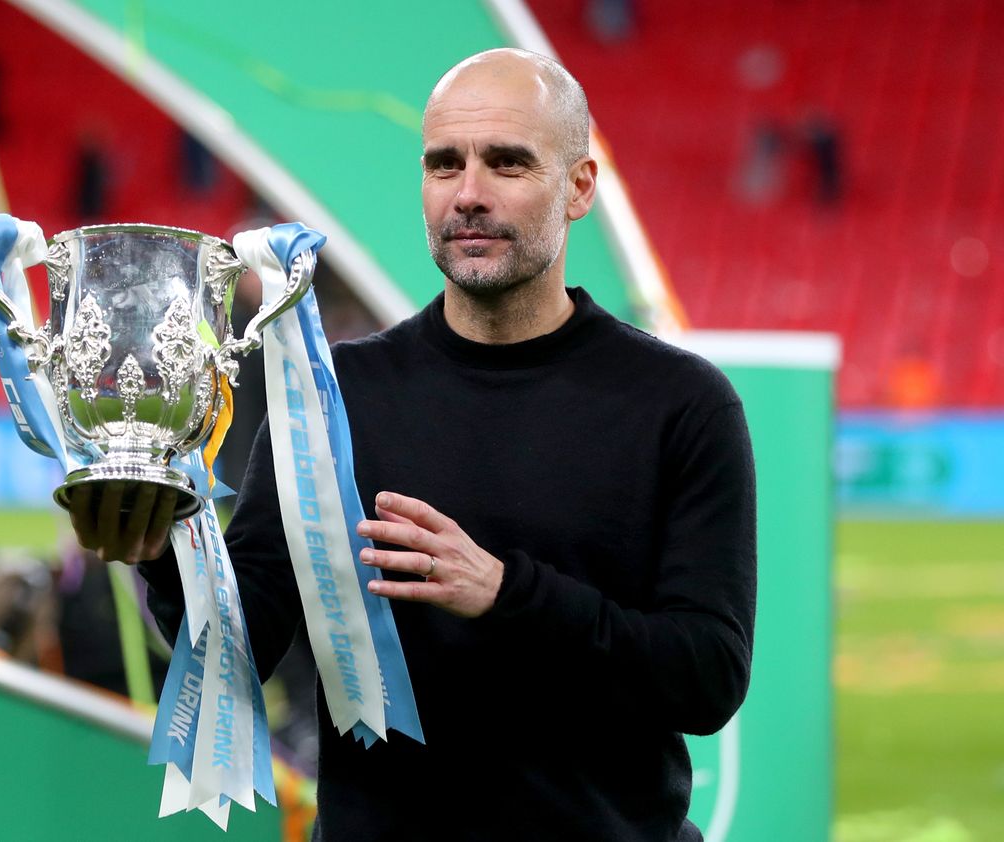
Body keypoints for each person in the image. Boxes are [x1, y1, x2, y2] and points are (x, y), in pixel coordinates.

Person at [70, 48, 756, 841]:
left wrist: (507, 594)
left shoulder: (681, 403)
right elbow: (244, 644)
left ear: (579, 188)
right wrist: (163, 548)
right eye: (443, 164)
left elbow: (707, 677)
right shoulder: (333, 397)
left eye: (507, 163)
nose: (468, 193)